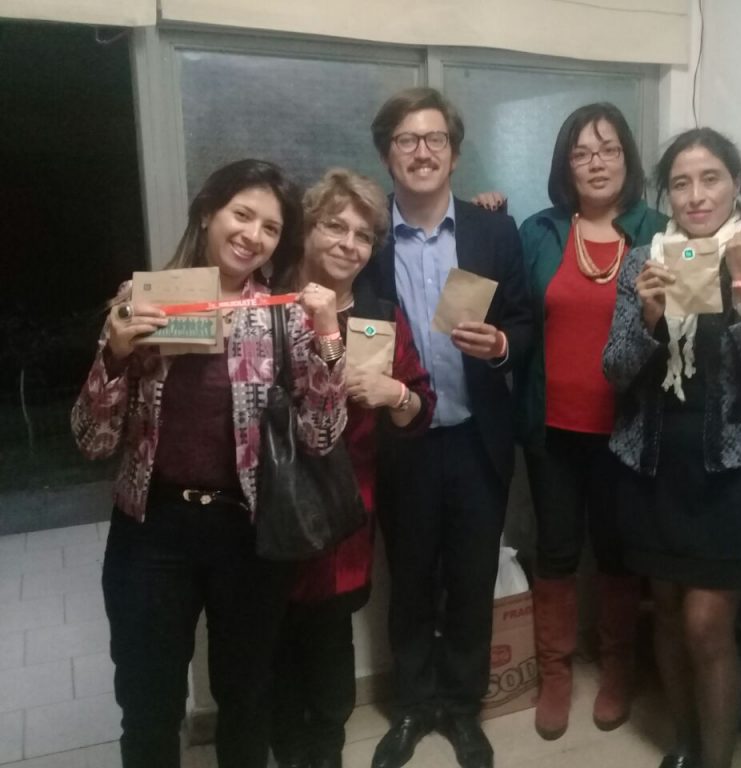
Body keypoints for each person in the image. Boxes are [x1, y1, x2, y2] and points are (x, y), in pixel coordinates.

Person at [71, 159, 347, 768]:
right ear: (207, 213)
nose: (253, 235)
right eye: (242, 214)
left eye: (271, 227)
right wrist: (114, 353)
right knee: (148, 704)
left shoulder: (283, 315)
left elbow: (323, 434)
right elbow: (92, 440)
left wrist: (329, 338)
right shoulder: (144, 302)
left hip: (248, 532)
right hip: (150, 530)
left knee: (246, 698)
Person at [602, 128, 741, 768]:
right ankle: (684, 745)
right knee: (664, 613)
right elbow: (615, 370)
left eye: (710, 178)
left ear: (735, 183)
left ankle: (714, 759)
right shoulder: (644, 260)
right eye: (681, 183)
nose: (696, 196)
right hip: (655, 466)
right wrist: (647, 319)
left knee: (706, 624)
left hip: (735, 473)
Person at [362, 87, 532, 768]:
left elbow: (524, 319)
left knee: (469, 580)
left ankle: (462, 708)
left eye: (435, 139)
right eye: (406, 140)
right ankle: (411, 706)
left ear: (455, 154)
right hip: (398, 440)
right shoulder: (367, 236)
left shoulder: (493, 231)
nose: (422, 151)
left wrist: (503, 344)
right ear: (387, 154)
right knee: (407, 580)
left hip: (475, 439)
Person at [269, 168, 436, 768]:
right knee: (267, 651)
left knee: (328, 651)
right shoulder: (265, 302)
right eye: (334, 227)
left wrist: (396, 394)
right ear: (306, 230)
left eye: (363, 235)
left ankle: (326, 752)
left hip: (343, 514)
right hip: (262, 511)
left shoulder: (379, 316)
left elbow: (421, 410)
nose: (348, 243)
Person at [516, 103, 667, 740]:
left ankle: (616, 669)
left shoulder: (658, 231)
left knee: (617, 553)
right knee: (554, 550)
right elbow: (514, 312)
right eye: (581, 153)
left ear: (627, 159)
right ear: (566, 165)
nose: (596, 163)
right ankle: (554, 673)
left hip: (626, 430)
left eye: (608, 149)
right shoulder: (540, 230)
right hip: (551, 426)